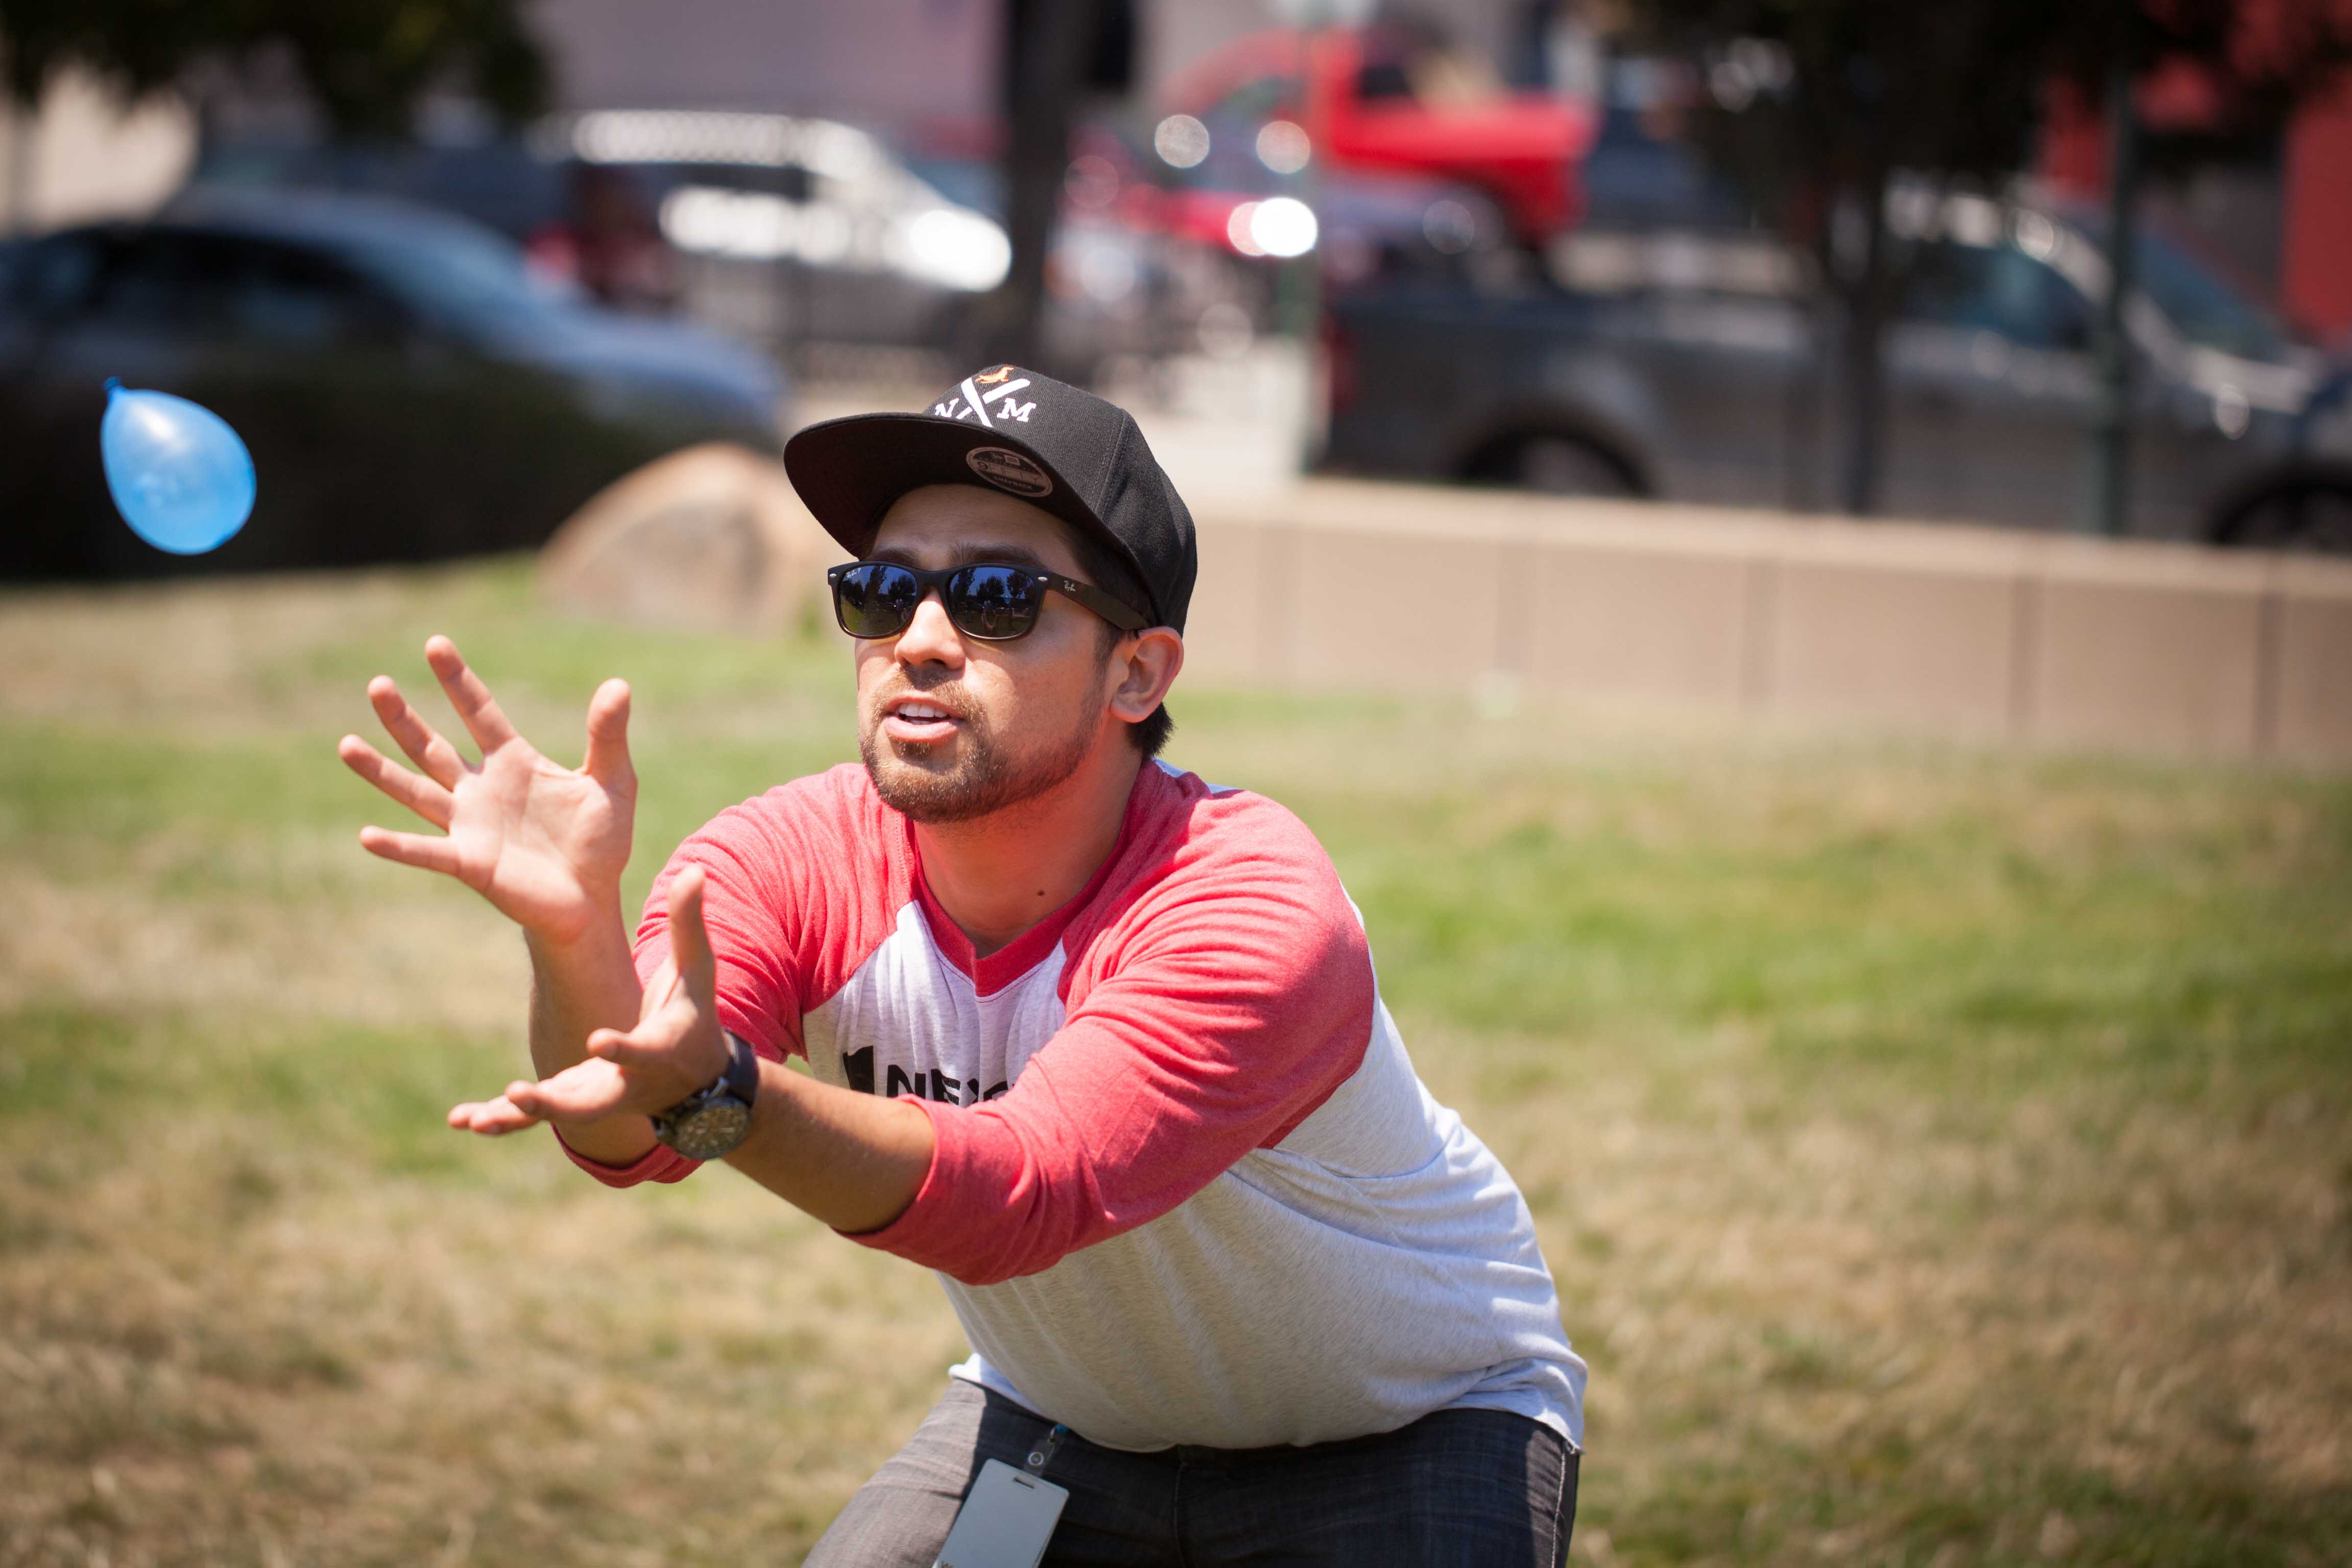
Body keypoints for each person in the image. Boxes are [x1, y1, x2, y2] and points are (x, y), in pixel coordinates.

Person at [338, 367, 1587, 1565]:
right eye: (882, 592)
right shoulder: (788, 857)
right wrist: (573, 943)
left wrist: (724, 1096)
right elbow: (630, 1128)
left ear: (1136, 670)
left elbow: (1016, 1198)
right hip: (1068, 1420)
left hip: (1409, 1428)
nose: (920, 642)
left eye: (997, 597)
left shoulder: (1245, 903)